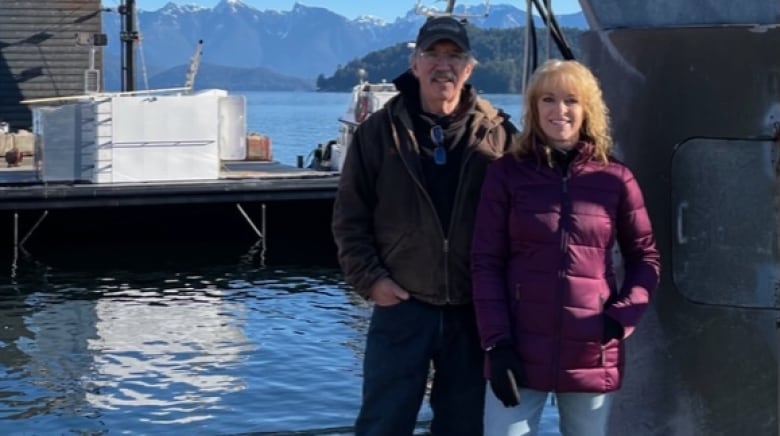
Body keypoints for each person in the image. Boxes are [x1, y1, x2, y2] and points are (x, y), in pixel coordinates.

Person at [331, 15, 520, 436]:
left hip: (472, 313)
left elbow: (526, 220)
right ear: (414, 64)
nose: (443, 65)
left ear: (469, 68)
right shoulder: (378, 132)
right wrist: (371, 280)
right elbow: (349, 218)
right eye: (432, 54)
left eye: (453, 56)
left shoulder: (500, 134)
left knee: (465, 427)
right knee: (383, 424)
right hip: (402, 305)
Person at [470, 59, 661, 436]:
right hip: (518, 352)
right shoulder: (506, 174)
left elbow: (646, 258)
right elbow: (485, 263)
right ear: (533, 108)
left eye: (571, 100)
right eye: (548, 100)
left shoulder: (616, 178)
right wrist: (497, 344)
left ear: (587, 108)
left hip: (592, 351)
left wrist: (620, 319)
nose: (560, 111)